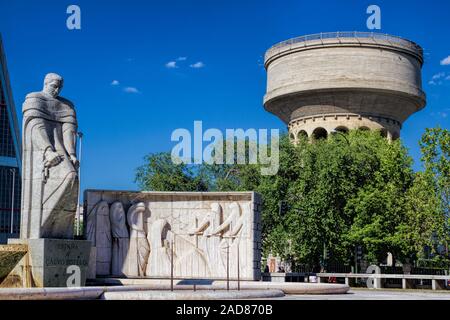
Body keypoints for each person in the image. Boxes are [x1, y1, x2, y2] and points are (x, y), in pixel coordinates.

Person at [21, 73, 79, 239]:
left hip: (60, 150)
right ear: (45, 83)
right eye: (54, 86)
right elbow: (35, 127)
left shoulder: (66, 105)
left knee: (73, 180)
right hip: (45, 152)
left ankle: (57, 229)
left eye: (60, 87)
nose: (57, 90)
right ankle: (43, 224)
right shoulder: (35, 99)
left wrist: (72, 154)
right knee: (69, 176)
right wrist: (47, 150)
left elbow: (69, 131)